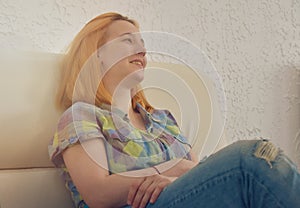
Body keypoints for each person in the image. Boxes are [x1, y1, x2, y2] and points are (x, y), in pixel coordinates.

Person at [48, 12, 300, 208]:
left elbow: (198, 172)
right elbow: (98, 194)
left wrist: (170, 179)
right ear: (96, 54)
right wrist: (167, 170)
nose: (142, 50)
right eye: (128, 40)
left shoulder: (163, 120)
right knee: (251, 159)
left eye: (142, 43)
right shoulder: (82, 115)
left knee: (259, 172)